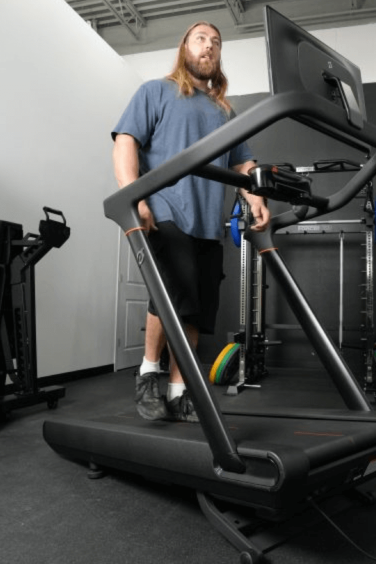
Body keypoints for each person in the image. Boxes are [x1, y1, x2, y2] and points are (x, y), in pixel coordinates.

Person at [112, 21, 270, 422]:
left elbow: (244, 164)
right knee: (173, 291)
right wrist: (134, 196)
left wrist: (256, 200)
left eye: (216, 43)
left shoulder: (224, 112)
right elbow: (125, 140)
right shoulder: (156, 91)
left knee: (197, 308)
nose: (209, 46)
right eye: (201, 39)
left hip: (207, 223)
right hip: (165, 210)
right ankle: (149, 372)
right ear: (184, 47)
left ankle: (180, 391)